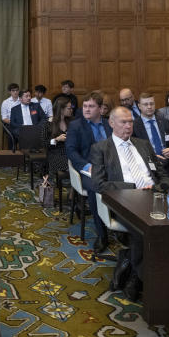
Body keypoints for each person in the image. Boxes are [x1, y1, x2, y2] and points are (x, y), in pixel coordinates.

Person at [88, 106, 169, 301]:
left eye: (131, 122)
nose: (128, 126)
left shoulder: (143, 145)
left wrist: (160, 187)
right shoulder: (101, 148)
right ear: (111, 124)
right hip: (124, 201)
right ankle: (139, 277)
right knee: (145, 230)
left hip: (156, 196)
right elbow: (99, 184)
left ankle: (137, 265)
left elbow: (162, 175)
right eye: (123, 122)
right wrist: (132, 186)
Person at [66, 91, 113, 246]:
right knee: (96, 187)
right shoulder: (75, 125)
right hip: (88, 169)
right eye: (85, 106)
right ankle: (102, 234)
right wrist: (87, 166)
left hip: (111, 168)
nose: (86, 109)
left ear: (100, 109)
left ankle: (123, 226)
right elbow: (71, 151)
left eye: (91, 106)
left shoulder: (109, 124)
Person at [132, 93, 169, 182]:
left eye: (151, 104)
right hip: (148, 165)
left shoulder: (164, 122)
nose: (149, 107)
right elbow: (132, 149)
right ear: (139, 106)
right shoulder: (134, 126)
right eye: (145, 104)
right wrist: (152, 156)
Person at [42, 95, 74, 184]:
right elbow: (44, 143)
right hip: (55, 153)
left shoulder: (72, 122)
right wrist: (56, 139)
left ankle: (74, 190)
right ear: (61, 109)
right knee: (71, 164)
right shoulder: (48, 123)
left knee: (79, 161)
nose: (71, 110)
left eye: (71, 108)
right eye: (69, 108)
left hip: (70, 151)